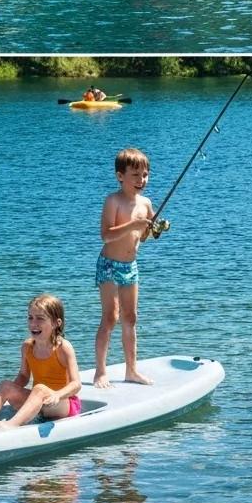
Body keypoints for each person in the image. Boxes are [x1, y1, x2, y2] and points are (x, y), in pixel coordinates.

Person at [0, 294, 82, 429]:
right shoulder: (27, 347)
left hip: (62, 403)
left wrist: (57, 395)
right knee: (6, 385)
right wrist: (6, 392)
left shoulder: (63, 347)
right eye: (30, 317)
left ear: (56, 323)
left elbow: (76, 384)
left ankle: (12, 424)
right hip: (37, 401)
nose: (33, 323)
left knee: (39, 389)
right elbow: (23, 376)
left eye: (40, 318)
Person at [94, 147, 159, 388]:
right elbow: (106, 235)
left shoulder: (146, 203)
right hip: (109, 265)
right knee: (110, 317)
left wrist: (153, 230)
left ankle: (131, 370)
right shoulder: (113, 201)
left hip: (130, 266)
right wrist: (135, 224)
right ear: (120, 176)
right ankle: (100, 371)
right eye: (135, 175)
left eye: (145, 175)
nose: (141, 180)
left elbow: (143, 238)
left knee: (130, 318)